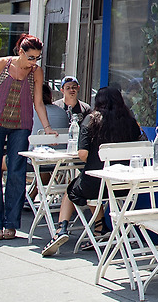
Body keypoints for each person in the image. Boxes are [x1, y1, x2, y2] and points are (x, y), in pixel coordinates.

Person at [41, 87, 146, 256]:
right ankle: (99, 228)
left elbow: (82, 154)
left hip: (95, 184)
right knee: (93, 187)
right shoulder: (131, 122)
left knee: (72, 189)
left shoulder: (91, 120)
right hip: (123, 186)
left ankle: (61, 229)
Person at [0, 35, 56, 240]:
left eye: (37, 58)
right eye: (30, 57)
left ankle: (11, 223)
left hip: (21, 125)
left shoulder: (36, 72)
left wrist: (47, 127)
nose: (33, 62)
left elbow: (38, 102)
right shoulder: (2, 64)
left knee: (17, 172)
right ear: (20, 52)